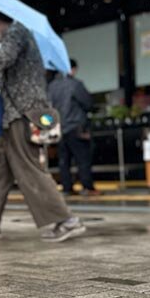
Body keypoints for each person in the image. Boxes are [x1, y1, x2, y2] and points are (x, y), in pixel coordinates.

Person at [0, 4, 85, 242]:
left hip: (24, 114)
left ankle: (67, 220)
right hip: (10, 116)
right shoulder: (8, 40)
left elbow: (1, 61)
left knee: (29, 169)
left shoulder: (17, 32)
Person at [48, 59, 100, 196]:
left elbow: (49, 107)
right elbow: (88, 103)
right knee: (83, 158)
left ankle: (67, 187)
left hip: (60, 128)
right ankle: (87, 187)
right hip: (76, 126)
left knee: (64, 160)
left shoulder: (52, 87)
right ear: (72, 69)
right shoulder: (75, 85)